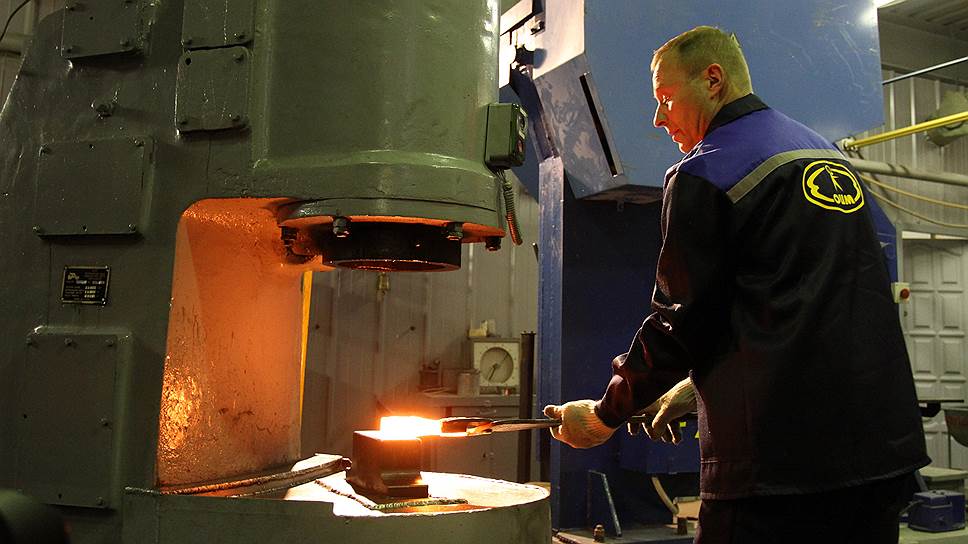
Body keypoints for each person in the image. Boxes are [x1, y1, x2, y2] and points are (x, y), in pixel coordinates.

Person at [543, 26, 929, 543]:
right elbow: (803, 301)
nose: (658, 118)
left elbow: (678, 322)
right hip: (879, 457)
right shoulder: (829, 158)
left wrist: (605, 414)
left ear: (713, 80)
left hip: (778, 473)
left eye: (665, 98)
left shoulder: (706, 171)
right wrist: (694, 386)